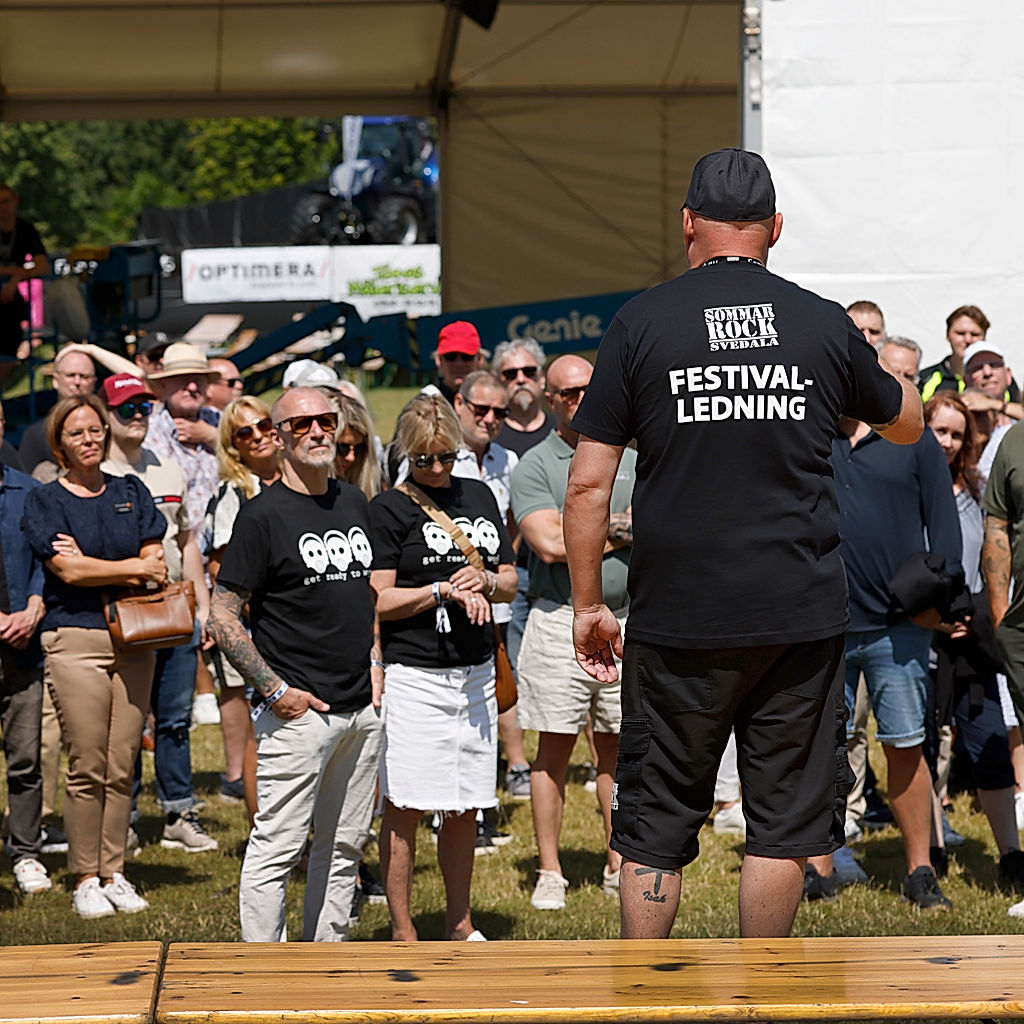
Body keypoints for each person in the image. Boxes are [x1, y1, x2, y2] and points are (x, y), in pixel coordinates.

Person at [563, 147, 923, 938]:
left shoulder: (642, 322)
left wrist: (588, 603)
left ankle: (645, 1000)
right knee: (785, 824)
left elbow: (588, 484)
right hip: (798, 615)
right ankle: (758, 999)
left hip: (678, 616)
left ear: (688, 223)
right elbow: (906, 422)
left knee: (655, 820)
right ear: (776, 229)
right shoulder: (820, 321)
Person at [209, 387, 383, 942]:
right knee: (277, 848)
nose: (316, 431)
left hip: (362, 708)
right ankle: (263, 977)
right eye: (301, 423)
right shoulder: (261, 517)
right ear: (279, 435)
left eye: (325, 420)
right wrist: (272, 688)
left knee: (345, 845)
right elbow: (223, 616)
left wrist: (375, 662)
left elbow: (364, 597)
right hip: (298, 714)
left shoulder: (353, 502)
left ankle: (325, 961)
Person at [802, 335, 963, 909]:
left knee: (905, 744)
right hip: (822, 625)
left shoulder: (910, 435)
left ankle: (920, 867)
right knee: (823, 749)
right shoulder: (809, 434)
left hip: (899, 625)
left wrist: (938, 601)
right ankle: (818, 866)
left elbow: (942, 526)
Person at [369, 393, 517, 941]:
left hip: (474, 671)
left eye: (446, 456)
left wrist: (484, 582)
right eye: (424, 458)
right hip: (416, 675)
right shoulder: (388, 509)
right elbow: (379, 599)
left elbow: (509, 578)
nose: (436, 468)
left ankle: (460, 921)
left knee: (465, 804)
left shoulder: (478, 495)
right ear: (406, 454)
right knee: (405, 802)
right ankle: (403, 928)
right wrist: (439, 591)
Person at [21, 394, 167, 918]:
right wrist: (130, 567)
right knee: (87, 762)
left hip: (134, 639)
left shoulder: (130, 490)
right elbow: (70, 574)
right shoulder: (45, 500)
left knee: (122, 762)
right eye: (78, 432)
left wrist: (105, 565)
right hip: (74, 639)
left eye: (95, 430)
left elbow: (156, 560)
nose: (90, 439)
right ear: (60, 441)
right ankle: (85, 875)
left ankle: (115, 870)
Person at [511, 354, 635, 910]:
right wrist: (621, 530)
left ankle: (617, 860)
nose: (579, 399)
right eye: (566, 392)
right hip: (559, 618)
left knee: (617, 749)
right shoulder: (535, 465)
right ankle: (550, 870)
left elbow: (658, 524)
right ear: (550, 399)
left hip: (628, 617)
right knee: (553, 752)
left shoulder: (632, 455)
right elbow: (550, 545)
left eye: (588, 387)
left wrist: (588, 529)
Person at [100, 372, 217, 854]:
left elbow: (187, 541)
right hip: (121, 612)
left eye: (144, 408)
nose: (137, 417)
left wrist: (203, 604)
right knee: (126, 722)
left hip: (174, 608)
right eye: (126, 409)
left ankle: (178, 811)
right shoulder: (96, 472)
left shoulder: (168, 467)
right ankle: (122, 819)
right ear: (106, 415)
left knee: (173, 719)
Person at [922, 392, 1024, 895]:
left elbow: (991, 554)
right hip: (920, 633)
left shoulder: (977, 490)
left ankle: (1010, 854)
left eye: (956, 434)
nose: (947, 441)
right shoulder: (909, 486)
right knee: (924, 745)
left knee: (987, 740)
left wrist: (978, 616)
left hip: (973, 635)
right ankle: (932, 849)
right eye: (938, 430)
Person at [204, 396, 282, 818]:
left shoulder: (299, 480)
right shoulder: (233, 493)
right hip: (257, 627)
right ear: (234, 446)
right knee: (262, 729)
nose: (259, 436)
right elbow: (221, 567)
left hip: (297, 625)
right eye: (245, 432)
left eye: (265, 424)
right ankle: (261, 826)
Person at [0, 399, 49, 895]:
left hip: (24, 644)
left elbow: (44, 557)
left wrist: (35, 604)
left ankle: (26, 850)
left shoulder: (28, 492)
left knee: (25, 758)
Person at [19, 348, 98, 479]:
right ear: (55, 380)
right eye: (71, 375)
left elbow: (138, 375)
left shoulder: (107, 427)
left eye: (84, 376)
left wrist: (91, 350)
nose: (77, 382)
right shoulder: (35, 435)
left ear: (93, 382)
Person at [919, 305, 1015, 402]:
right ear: (948, 335)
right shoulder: (925, 378)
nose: (968, 339)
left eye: (975, 334)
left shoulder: (999, 378)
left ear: (984, 338)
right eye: (960, 333)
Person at [0, 183, 47, 381]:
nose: (2, 207)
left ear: (15, 201)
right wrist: (19, 272)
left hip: (10, 299)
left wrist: (15, 278)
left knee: (11, 330)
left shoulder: (26, 230)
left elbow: (42, 265)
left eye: (5, 201)